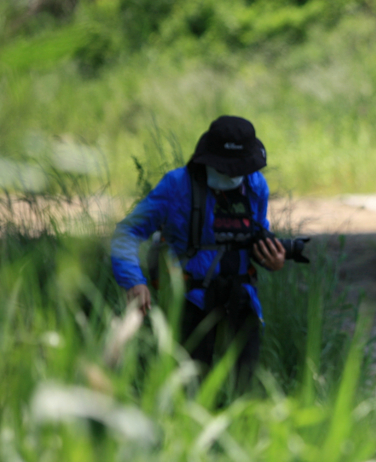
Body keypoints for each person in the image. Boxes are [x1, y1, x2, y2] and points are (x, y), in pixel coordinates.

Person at [111, 115, 286, 392]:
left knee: (246, 389)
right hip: (191, 301)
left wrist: (273, 260)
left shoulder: (256, 185)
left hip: (242, 299)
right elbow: (127, 233)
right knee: (192, 388)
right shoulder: (177, 185)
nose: (235, 173)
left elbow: (257, 234)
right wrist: (134, 280)